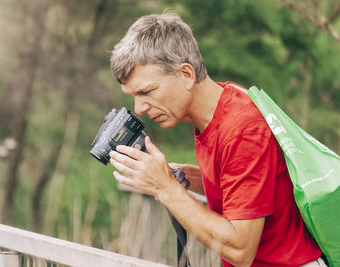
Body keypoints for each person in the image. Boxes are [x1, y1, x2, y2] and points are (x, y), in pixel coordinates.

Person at [108, 12, 325, 267]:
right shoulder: (221, 104)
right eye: (133, 95)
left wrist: (165, 187)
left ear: (186, 74)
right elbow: (243, 184)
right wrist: (180, 177)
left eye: (146, 91)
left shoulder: (242, 129)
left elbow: (240, 250)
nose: (140, 107)